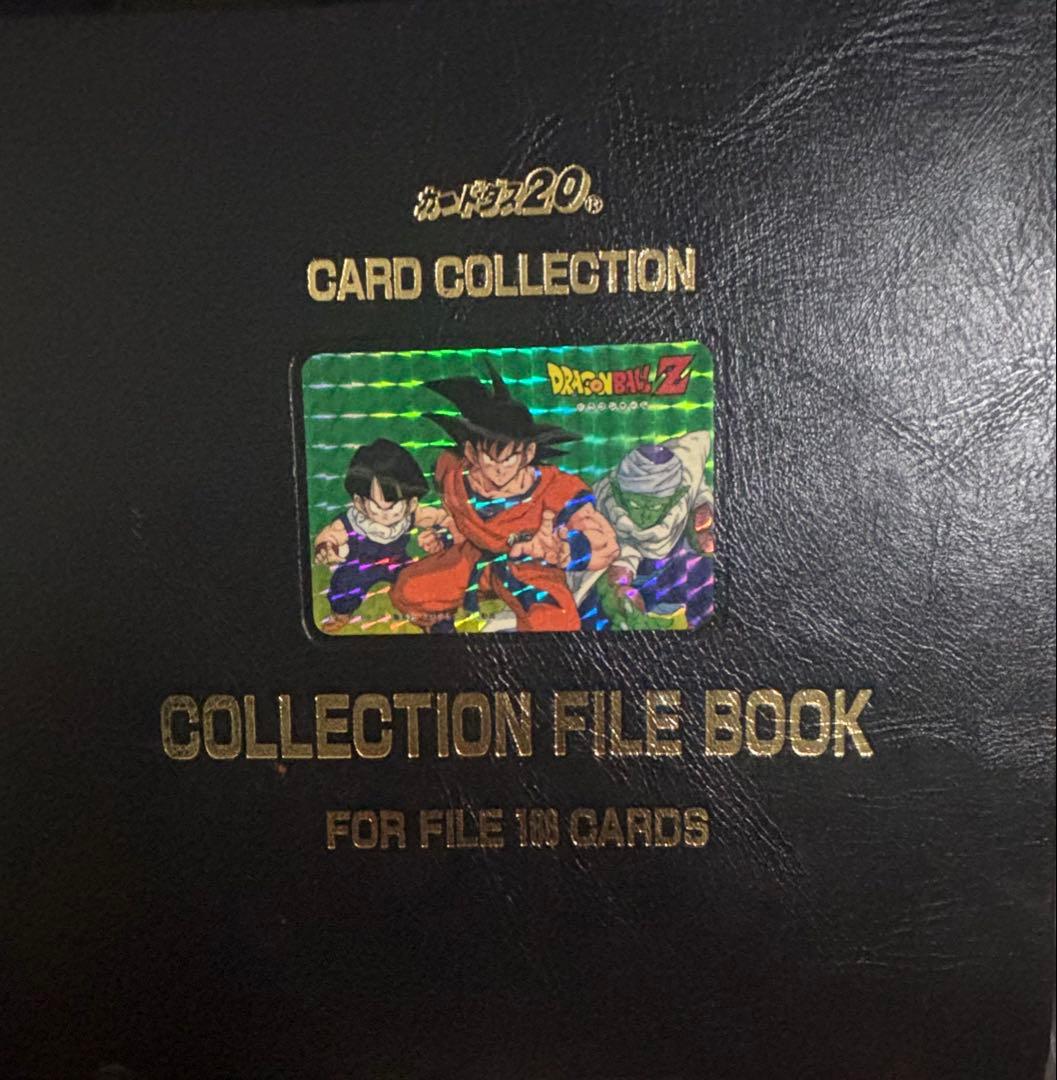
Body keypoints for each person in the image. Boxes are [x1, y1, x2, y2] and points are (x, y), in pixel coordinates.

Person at [391, 361, 618, 632]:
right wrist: (446, 536)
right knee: (408, 590)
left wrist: (567, 549)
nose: (499, 469)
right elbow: (462, 522)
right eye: (490, 458)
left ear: (528, 453)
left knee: (553, 622)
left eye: (510, 458)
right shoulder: (453, 477)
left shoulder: (555, 488)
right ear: (472, 453)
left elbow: (604, 540)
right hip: (475, 561)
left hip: (531, 569)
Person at [572, 432, 715, 629]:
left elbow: (699, 489)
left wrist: (700, 516)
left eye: (654, 506)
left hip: (671, 569)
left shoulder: (687, 487)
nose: (645, 516)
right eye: (635, 504)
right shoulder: (601, 509)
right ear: (618, 494)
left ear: (675, 499)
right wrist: (619, 590)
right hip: (629, 575)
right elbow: (615, 567)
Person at [312, 438, 439, 632]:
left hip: (397, 562)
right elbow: (330, 534)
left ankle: (421, 615)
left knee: (416, 584)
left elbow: (437, 517)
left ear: (411, 503)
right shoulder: (355, 520)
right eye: (377, 506)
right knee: (343, 586)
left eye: (393, 506)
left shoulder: (409, 515)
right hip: (359, 565)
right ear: (360, 503)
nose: (385, 513)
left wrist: (443, 529)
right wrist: (326, 548)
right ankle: (341, 614)